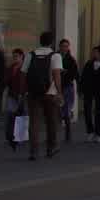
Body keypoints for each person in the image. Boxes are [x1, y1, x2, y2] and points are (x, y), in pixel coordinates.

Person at [24, 31, 63, 160]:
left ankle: (33, 151)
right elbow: (56, 75)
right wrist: (59, 92)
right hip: (49, 93)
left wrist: (25, 90)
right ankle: (51, 148)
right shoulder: (55, 56)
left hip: (33, 93)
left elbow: (23, 74)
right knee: (51, 121)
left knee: (34, 122)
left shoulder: (30, 55)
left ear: (40, 41)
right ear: (51, 42)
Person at [3, 48, 27, 150]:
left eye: (16, 56)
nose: (15, 58)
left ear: (22, 57)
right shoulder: (11, 68)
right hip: (12, 95)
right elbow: (6, 80)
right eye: (14, 56)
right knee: (10, 115)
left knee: (22, 116)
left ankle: (20, 137)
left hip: (23, 95)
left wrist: (24, 93)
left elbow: (26, 82)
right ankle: (10, 135)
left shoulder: (25, 68)